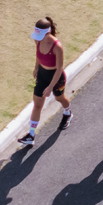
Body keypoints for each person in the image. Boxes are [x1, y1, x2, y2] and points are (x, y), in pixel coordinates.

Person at [17, 17, 71, 147]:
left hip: (56, 77)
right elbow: (38, 54)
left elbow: (59, 69)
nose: (38, 38)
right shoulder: (38, 39)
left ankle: (68, 113)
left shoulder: (57, 46)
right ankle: (31, 135)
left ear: (48, 32)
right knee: (37, 104)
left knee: (59, 98)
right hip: (42, 74)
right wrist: (36, 67)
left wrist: (50, 87)